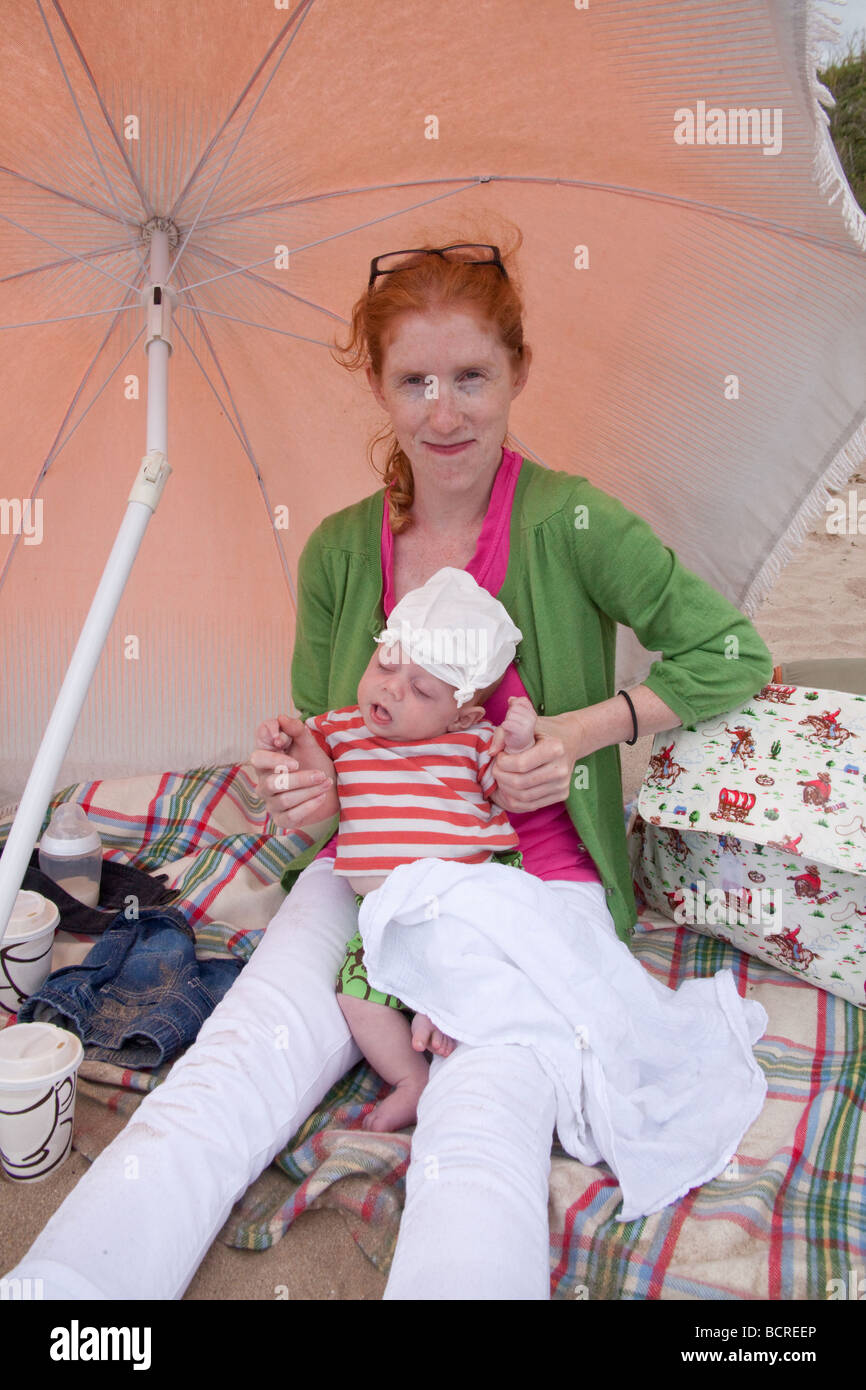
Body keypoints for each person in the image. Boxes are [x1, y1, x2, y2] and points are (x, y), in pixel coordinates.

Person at [5, 233, 773, 1301]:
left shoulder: (571, 520)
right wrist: (310, 790)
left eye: (470, 377)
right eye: (414, 381)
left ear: (517, 372)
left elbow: (731, 653)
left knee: (482, 1113)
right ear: (376, 385)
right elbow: (331, 764)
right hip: (370, 877)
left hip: (531, 887)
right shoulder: (334, 552)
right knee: (234, 1065)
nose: (443, 412)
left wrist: (582, 730)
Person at [263, 565, 538, 1133]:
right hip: (385, 918)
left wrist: (518, 743)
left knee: (486, 976)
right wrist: (289, 743)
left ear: (460, 712)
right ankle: (411, 1077)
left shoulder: (470, 741)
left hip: (463, 902)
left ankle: (452, 1022)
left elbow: (511, 782)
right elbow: (316, 776)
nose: (391, 687)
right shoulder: (340, 730)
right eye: (387, 664)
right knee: (357, 996)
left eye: (422, 689)